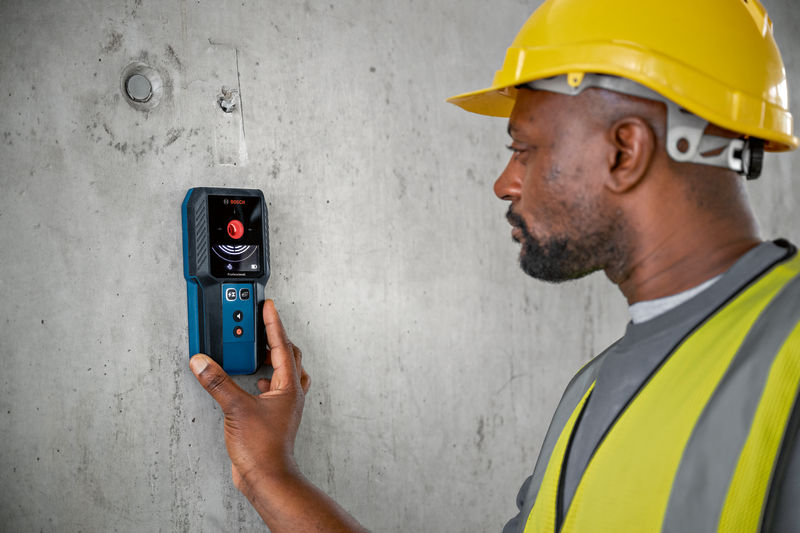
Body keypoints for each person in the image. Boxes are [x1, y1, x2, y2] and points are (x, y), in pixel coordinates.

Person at [189, 0, 800, 531]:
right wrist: (268, 475)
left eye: (523, 149)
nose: (504, 183)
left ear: (625, 151)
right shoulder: (595, 389)